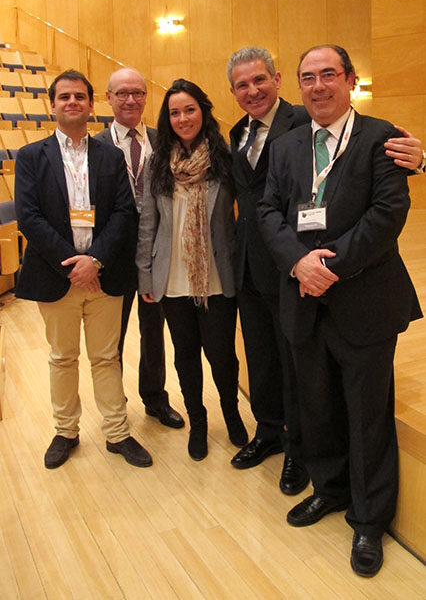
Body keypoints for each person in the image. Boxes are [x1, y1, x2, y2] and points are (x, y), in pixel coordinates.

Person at [227, 46, 424, 496]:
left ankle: (368, 515)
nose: (319, 86)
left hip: (361, 293)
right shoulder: (279, 144)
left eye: (329, 74)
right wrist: (299, 263)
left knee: (367, 412)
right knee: (316, 404)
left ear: (351, 79)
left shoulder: (380, 136)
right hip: (297, 290)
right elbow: (266, 209)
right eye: (309, 77)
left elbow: (387, 213)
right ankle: (329, 492)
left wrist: (325, 266)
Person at [15, 69, 152, 470]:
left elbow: (124, 212)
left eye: (79, 96)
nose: (72, 102)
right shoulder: (31, 156)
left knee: (106, 357)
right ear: (52, 105)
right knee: (62, 357)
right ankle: (66, 431)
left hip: (104, 275)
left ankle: (117, 433)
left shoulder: (110, 156)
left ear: (92, 105)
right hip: (55, 275)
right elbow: (29, 217)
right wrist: (73, 266)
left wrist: (95, 260)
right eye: (64, 97)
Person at [136, 79, 247, 460]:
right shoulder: (157, 162)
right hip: (172, 277)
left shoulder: (224, 158)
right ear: (167, 119)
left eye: (189, 109)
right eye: (174, 112)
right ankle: (198, 422)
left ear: (203, 111)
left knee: (222, 355)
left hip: (216, 274)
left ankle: (231, 414)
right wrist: (145, 274)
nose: (183, 118)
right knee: (185, 354)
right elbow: (148, 223)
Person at [95, 67, 184, 429]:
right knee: (110, 338)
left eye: (138, 93)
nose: (130, 100)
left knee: (154, 332)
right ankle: (114, 405)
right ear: (108, 98)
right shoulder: (95, 146)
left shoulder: (165, 141)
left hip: (155, 253)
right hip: (112, 256)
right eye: (122, 93)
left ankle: (155, 399)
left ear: (147, 97)